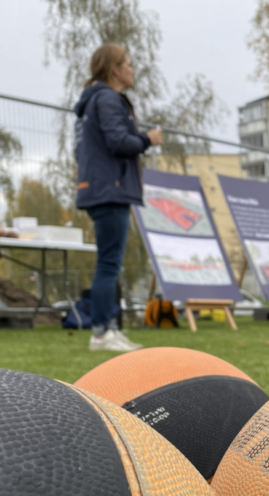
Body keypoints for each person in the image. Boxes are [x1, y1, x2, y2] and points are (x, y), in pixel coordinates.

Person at [74, 44, 163, 351]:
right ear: (114, 69)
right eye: (128, 63)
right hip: (109, 190)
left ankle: (107, 328)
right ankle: (101, 333)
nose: (132, 68)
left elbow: (83, 149)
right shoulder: (108, 99)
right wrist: (146, 139)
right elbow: (118, 141)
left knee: (108, 261)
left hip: (97, 188)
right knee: (109, 263)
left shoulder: (90, 104)